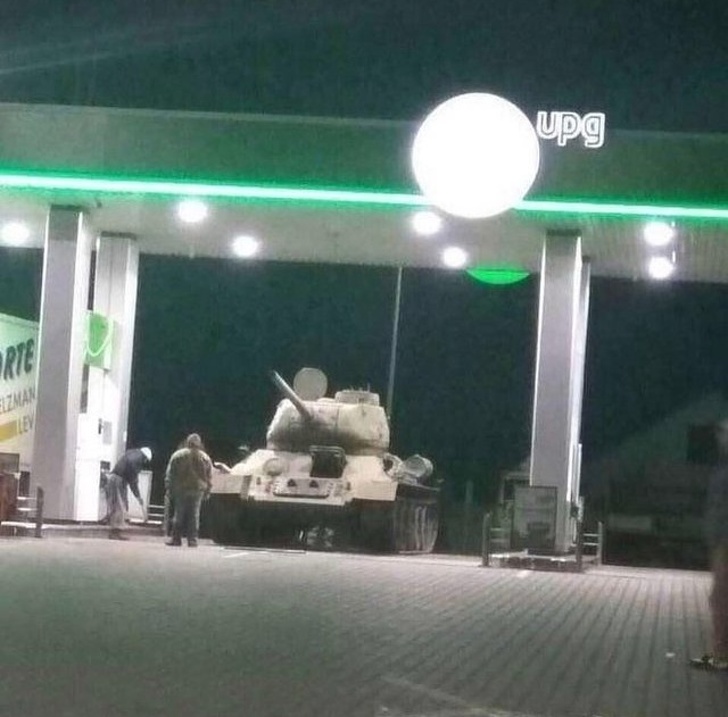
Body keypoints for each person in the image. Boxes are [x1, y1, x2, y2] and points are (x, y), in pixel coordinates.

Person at [691, 420, 728, 671]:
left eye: (724, 432)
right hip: (719, 539)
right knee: (719, 597)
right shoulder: (722, 467)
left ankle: (721, 654)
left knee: (720, 597)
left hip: (725, 540)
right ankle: (719, 652)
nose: (720, 437)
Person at [165, 433, 212, 547]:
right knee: (194, 515)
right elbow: (209, 476)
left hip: (181, 489)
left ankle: (176, 539)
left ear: (188, 442)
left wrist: (169, 488)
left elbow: (170, 473)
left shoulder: (178, 455)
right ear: (199, 444)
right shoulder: (205, 457)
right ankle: (192, 540)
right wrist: (208, 491)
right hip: (197, 490)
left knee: (179, 514)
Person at [105, 446, 152, 541]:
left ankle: (114, 530)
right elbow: (133, 481)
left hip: (113, 478)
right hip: (118, 480)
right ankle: (115, 532)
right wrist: (138, 496)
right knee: (120, 506)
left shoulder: (131, 453)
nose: (144, 463)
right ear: (145, 457)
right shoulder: (137, 460)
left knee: (117, 505)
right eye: (146, 461)